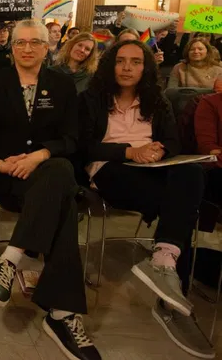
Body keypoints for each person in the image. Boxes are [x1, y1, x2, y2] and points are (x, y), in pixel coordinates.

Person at [80, 40, 212, 359]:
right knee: (181, 203)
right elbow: (81, 145)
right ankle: (170, 294)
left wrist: (159, 151)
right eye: (121, 61)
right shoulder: (91, 99)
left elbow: (171, 141)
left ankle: (163, 259)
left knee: (192, 174)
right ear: (110, 64)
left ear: (146, 67)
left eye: (136, 62)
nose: (128, 68)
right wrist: (128, 151)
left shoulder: (157, 100)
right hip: (110, 169)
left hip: (152, 167)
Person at [0, 19, 98, 360]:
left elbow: (71, 138)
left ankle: (11, 259)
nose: (27, 49)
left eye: (35, 42)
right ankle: (61, 315)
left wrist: (40, 155)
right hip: (3, 173)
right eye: (20, 43)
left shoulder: (61, 85)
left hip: (45, 171)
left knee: (57, 169)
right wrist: (0, 162)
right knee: (62, 192)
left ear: (48, 47)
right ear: (11, 47)